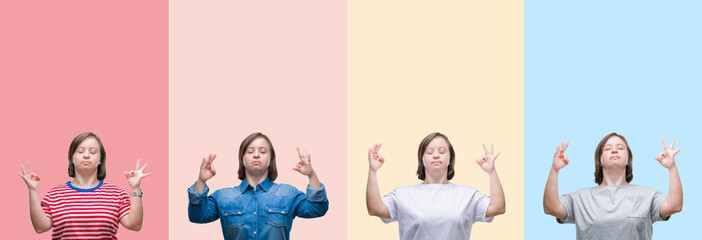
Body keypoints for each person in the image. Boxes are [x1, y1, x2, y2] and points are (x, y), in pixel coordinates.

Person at [187, 132, 329, 240]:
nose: (256, 155)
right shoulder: (223, 197)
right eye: (250, 151)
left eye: (262, 151)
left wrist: (311, 175)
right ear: (242, 159)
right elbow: (197, 216)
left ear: (270, 159)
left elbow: (317, 209)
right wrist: (201, 180)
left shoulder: (289, 194)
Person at [366, 132, 506, 240]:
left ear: (450, 159)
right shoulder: (403, 194)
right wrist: (373, 171)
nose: (436, 155)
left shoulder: (467, 194)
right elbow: (374, 209)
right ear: (422, 159)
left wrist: (492, 172)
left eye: (442, 151)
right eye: (430, 152)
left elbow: (498, 207)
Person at [543, 132, 683, 239]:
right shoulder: (580, 198)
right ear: (600, 160)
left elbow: (675, 205)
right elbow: (551, 208)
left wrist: (672, 168)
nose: (614, 150)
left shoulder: (648, 195)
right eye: (608, 148)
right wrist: (554, 170)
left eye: (620, 148)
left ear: (628, 159)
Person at [18, 132, 150, 239]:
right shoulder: (55, 194)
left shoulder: (116, 193)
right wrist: (32, 190)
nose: (86, 155)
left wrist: (135, 188)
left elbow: (134, 225)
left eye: (93, 152)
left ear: (100, 160)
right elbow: (41, 228)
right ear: (72, 158)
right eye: (80, 151)